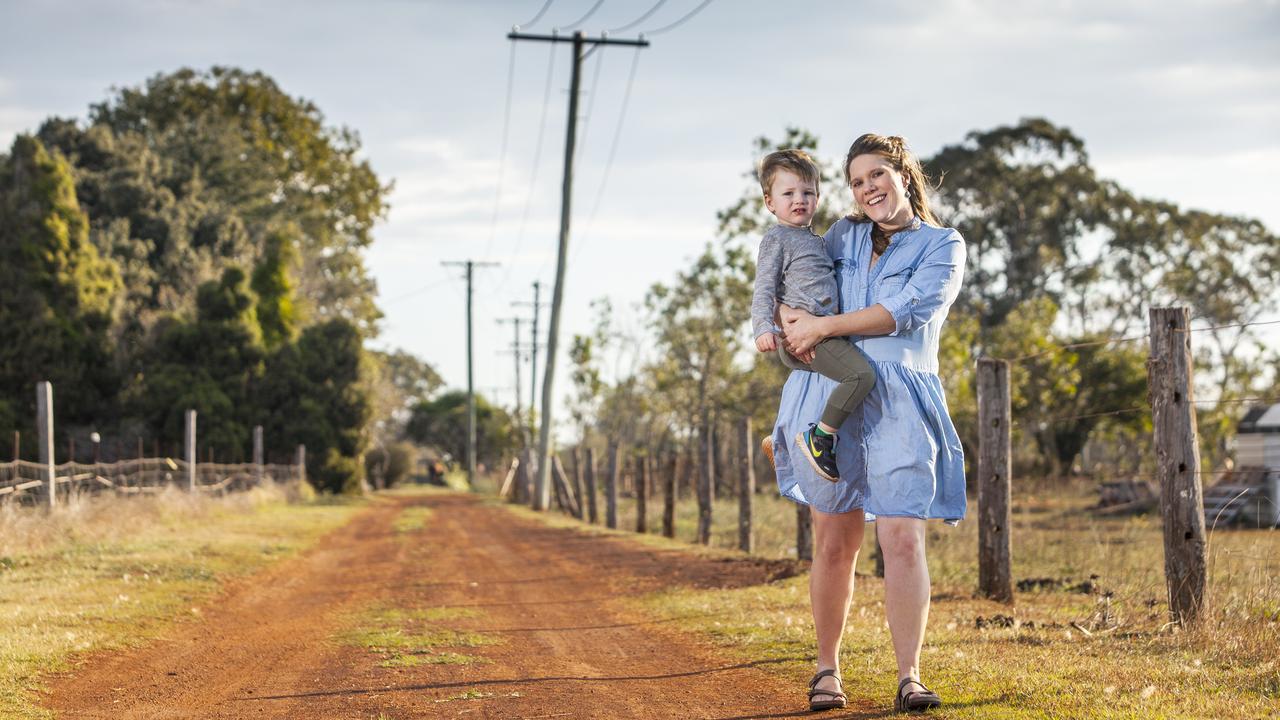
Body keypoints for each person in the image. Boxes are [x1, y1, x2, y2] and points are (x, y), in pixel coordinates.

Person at [770, 134, 966, 713]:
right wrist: (787, 317)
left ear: (904, 175)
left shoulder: (942, 244)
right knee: (834, 540)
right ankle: (827, 670)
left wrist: (822, 328)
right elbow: (791, 282)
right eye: (857, 181)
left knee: (902, 538)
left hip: (900, 400)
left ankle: (910, 675)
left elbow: (903, 314)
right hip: (827, 393)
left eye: (877, 174)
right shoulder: (841, 235)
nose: (868, 189)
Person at [750, 149, 877, 483]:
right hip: (806, 336)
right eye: (788, 193)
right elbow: (763, 287)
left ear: (818, 197)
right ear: (769, 202)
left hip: (822, 334)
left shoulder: (816, 240)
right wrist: (764, 326)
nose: (799, 200)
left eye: (807, 192)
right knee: (860, 377)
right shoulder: (777, 239)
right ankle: (818, 438)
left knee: (830, 385)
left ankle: (782, 443)